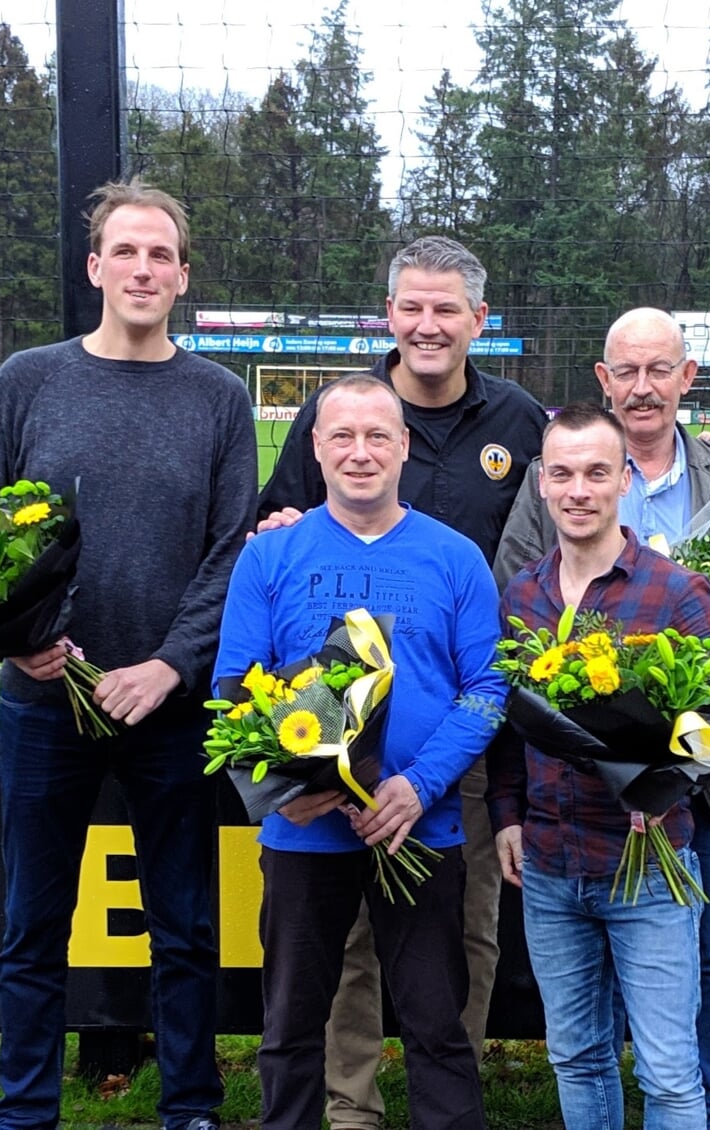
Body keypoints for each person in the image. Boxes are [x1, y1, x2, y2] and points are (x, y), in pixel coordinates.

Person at [0, 179, 254, 1130]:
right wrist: (22, 644)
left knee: (184, 928)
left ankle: (192, 1109)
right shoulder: (28, 380)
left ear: (181, 277)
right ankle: (23, 1113)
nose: (142, 268)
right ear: (95, 267)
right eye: (125, 251)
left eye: (160, 254)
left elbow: (230, 551)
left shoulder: (218, 398)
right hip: (47, 702)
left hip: (167, 708)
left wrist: (171, 665)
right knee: (32, 929)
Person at [255, 235, 545, 1129]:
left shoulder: (520, 422)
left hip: (463, 738)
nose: (428, 324)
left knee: (463, 934)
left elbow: (578, 500)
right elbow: (276, 532)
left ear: (477, 322)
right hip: (335, 752)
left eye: (446, 308)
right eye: (411, 307)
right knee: (340, 950)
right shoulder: (337, 415)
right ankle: (351, 1109)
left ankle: (444, 1097)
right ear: (389, 316)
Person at [491, 306, 710, 1130]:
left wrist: (662, 788)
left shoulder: (677, 593)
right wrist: (506, 813)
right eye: (563, 475)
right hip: (549, 859)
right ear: (543, 485)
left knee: (667, 1068)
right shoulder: (523, 596)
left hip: (650, 859)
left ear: (624, 482)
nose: (579, 490)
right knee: (576, 1054)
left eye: (596, 475)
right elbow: (506, 717)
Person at [217, 374, 504, 1130]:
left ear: (405, 445)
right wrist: (290, 786)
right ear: (315, 447)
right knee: (289, 1028)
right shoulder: (270, 557)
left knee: (437, 1028)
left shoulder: (456, 557)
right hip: (304, 829)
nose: (360, 451)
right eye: (341, 435)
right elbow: (233, 689)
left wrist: (418, 786)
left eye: (378, 435)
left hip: (421, 826)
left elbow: (486, 690)